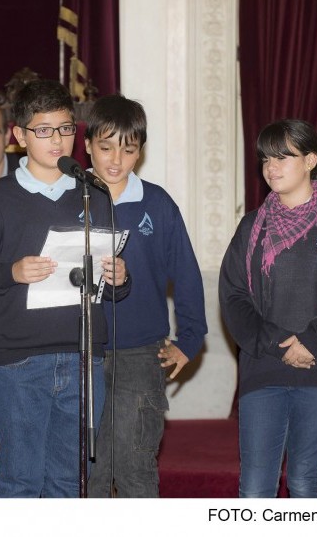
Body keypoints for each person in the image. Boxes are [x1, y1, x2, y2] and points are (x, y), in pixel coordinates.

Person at [0, 79, 130, 498]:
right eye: (44, 130)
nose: (57, 140)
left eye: (66, 129)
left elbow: (113, 288)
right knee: (21, 480)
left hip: (82, 354)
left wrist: (120, 278)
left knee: (69, 482)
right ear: (19, 135)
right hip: (20, 360)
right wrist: (10, 272)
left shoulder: (94, 195)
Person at [219, 119, 317, 498]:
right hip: (263, 367)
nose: (271, 167)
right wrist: (279, 345)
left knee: (305, 481)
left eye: (283, 157)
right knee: (255, 488)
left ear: (310, 160)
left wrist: (311, 341)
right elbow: (234, 296)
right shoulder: (252, 226)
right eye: (266, 159)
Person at [83, 94, 208, 498]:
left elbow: (187, 275)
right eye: (105, 148)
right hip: (78, 353)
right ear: (86, 146)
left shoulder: (157, 203)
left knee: (135, 468)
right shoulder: (71, 198)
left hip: (140, 354)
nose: (116, 160)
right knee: (89, 474)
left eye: (129, 149)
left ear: (141, 150)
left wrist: (189, 340)